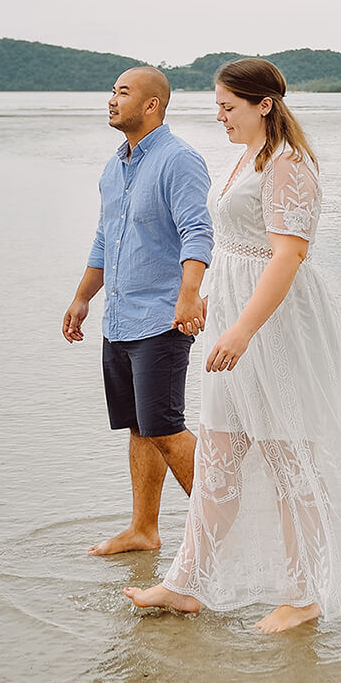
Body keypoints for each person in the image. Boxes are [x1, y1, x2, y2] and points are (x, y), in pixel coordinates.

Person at [124, 58, 341, 632]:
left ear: (263, 105)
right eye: (216, 107)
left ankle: (303, 594)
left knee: (288, 460)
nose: (220, 117)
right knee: (218, 458)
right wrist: (210, 300)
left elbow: (288, 256)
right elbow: (237, 244)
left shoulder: (289, 165)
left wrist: (242, 329)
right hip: (235, 318)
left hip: (278, 328)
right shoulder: (248, 158)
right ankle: (186, 583)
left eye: (228, 107)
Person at [62, 66, 213, 556]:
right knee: (139, 426)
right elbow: (106, 238)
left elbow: (198, 231)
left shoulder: (179, 160)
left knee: (166, 427)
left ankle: (231, 533)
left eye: (122, 93)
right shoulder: (115, 166)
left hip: (162, 319)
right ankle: (144, 531)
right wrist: (84, 296)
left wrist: (190, 293)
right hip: (120, 318)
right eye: (112, 90)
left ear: (152, 104)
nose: (111, 99)